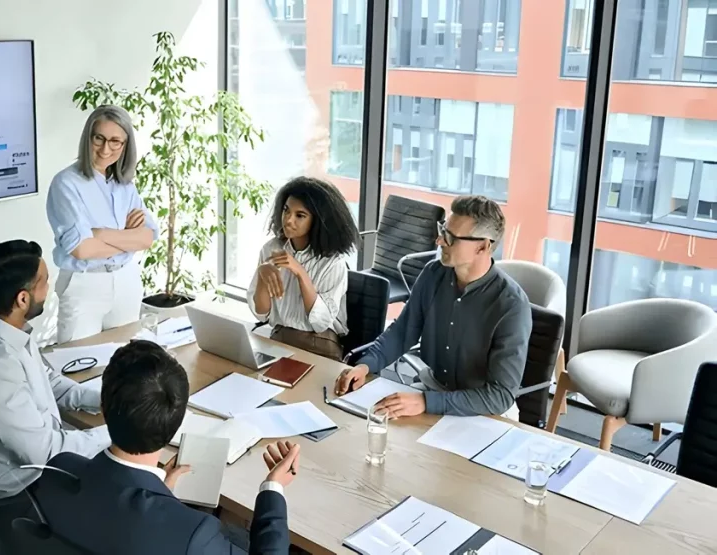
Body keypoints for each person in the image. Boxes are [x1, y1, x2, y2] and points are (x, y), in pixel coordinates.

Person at [36, 340, 299, 554]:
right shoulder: (193, 535)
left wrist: (163, 494)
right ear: (176, 422)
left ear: (103, 409)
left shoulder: (56, 471)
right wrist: (273, 488)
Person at [335, 195, 532, 420]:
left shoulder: (512, 305)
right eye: (442, 230)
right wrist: (365, 366)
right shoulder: (432, 273)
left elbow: (499, 396)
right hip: (432, 389)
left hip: (484, 411)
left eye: (450, 237)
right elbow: (402, 332)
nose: (439, 241)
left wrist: (426, 402)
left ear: (483, 247)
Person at [0, 240, 110, 498]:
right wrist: (121, 430)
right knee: (134, 477)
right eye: (44, 281)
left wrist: (106, 400)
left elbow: (47, 382)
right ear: (23, 299)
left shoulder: (0, 330)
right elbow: (47, 453)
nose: (50, 287)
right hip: (29, 485)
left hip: (42, 453)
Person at [46, 105, 158, 344]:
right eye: (99, 138)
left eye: (115, 141)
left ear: (125, 145)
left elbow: (147, 238)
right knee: (79, 363)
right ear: (89, 137)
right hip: (84, 283)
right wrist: (127, 238)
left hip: (126, 280)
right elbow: (82, 249)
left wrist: (99, 233)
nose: (106, 148)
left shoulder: (125, 185)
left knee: (125, 364)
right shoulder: (66, 183)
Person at [247, 177, 359, 360]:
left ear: (318, 221)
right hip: (280, 339)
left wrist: (300, 272)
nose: (289, 220)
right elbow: (262, 314)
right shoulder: (270, 249)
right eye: (286, 210)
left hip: (320, 345)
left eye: (300, 215)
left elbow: (321, 323)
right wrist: (262, 275)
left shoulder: (333, 263)